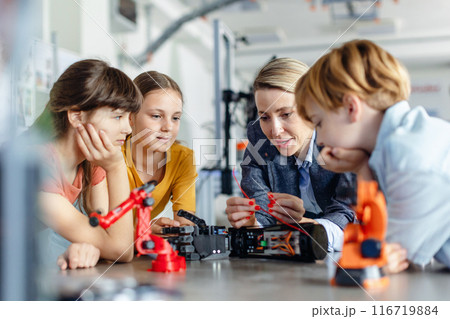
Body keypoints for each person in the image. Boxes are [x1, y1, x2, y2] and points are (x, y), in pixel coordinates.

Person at [295, 39, 450, 271]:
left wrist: (380, 253)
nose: (320, 139)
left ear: (351, 107)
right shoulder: (398, 143)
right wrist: (361, 167)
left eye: (319, 123)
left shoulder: (409, 156)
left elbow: (384, 252)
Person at [225, 58, 356, 253]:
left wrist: (304, 226)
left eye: (286, 114)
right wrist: (252, 224)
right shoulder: (259, 143)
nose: (275, 131)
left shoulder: (345, 140)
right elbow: (262, 209)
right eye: (265, 117)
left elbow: (348, 215)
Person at [36, 59, 142, 269]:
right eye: (118, 116)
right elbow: (121, 249)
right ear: (77, 116)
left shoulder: (91, 162)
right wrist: (117, 167)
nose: (128, 129)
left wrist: (91, 245)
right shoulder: (37, 167)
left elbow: (109, 233)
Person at [122, 71, 198, 234]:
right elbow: (105, 227)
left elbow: (186, 224)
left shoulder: (183, 159)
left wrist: (177, 229)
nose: (168, 127)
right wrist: (144, 230)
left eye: (175, 118)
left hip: (133, 250)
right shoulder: (112, 156)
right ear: (131, 117)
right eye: (156, 116)